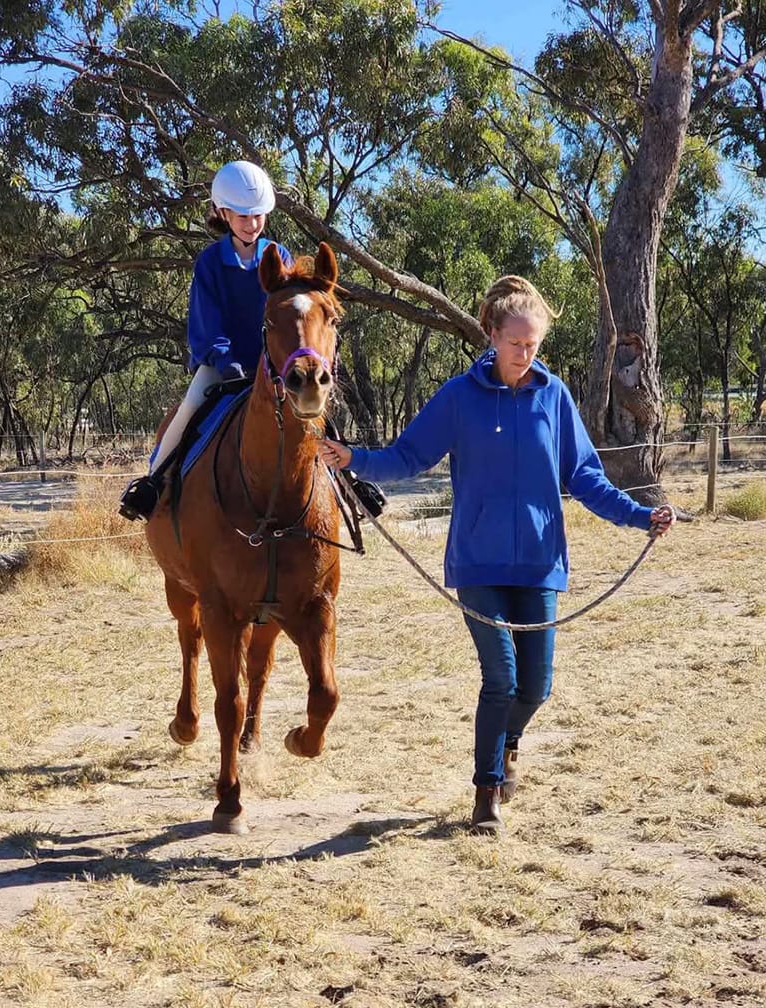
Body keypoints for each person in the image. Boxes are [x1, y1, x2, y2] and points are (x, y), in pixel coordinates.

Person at [319, 275, 674, 836]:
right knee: (501, 678)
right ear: (491, 335)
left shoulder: (553, 397)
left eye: (534, 345)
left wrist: (639, 515)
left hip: (539, 564)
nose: (525, 355)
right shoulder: (459, 397)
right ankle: (487, 794)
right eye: (516, 344)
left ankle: (510, 744)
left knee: (537, 686)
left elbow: (584, 477)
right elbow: (409, 455)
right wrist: (353, 458)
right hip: (477, 564)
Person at [120, 160, 291, 522]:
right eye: (243, 216)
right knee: (188, 409)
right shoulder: (210, 263)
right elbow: (206, 322)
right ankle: (152, 483)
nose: (252, 223)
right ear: (222, 212)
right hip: (222, 369)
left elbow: (290, 317)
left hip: (273, 367)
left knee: (313, 410)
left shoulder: (279, 257)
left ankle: (350, 478)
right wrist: (225, 360)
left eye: (258, 215)